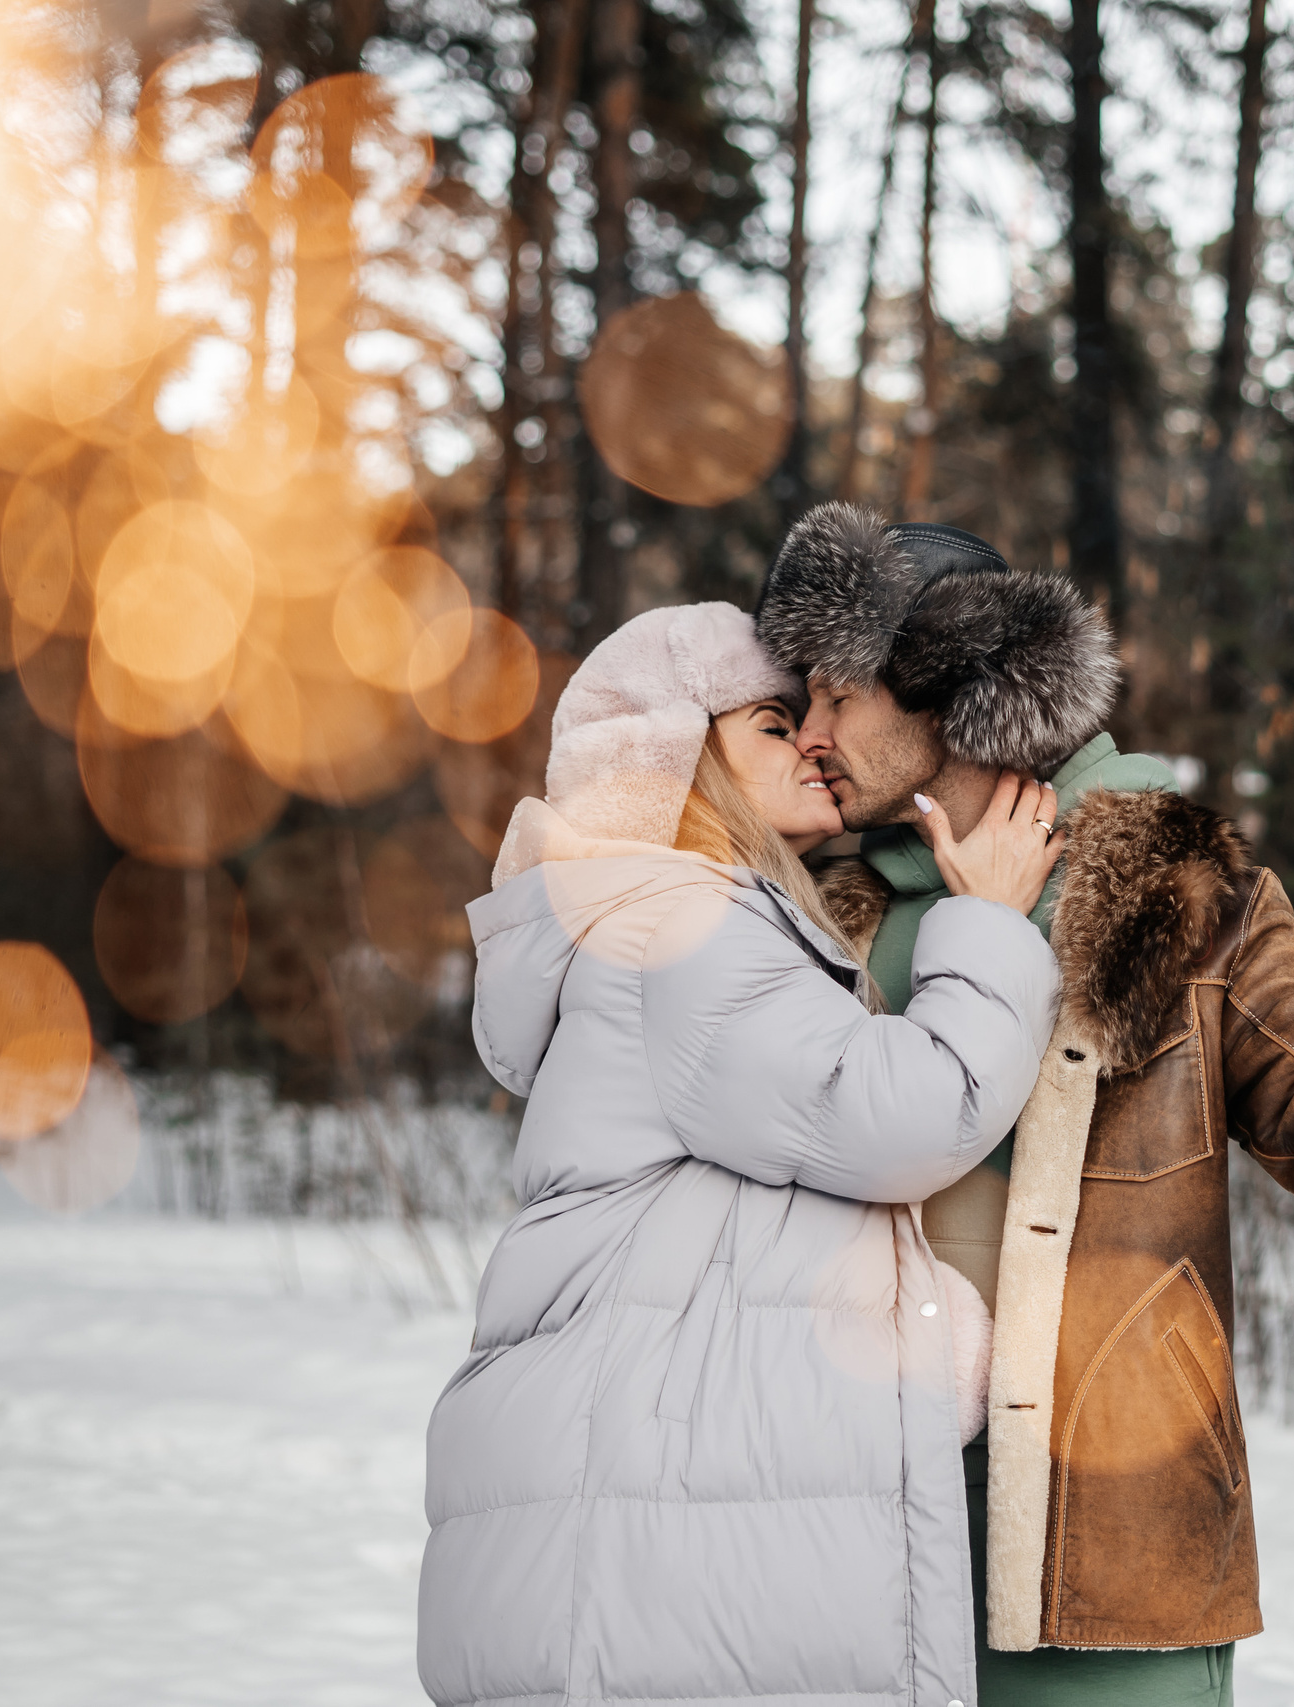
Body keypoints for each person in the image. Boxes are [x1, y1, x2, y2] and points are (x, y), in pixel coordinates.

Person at [755, 505, 1294, 1706]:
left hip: (1107, 1507)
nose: (811, 732)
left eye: (837, 695)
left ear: (944, 687)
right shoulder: (815, 909)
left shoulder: (1167, 887)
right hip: (846, 1514)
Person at [421, 601, 1066, 1707]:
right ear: (677, 757)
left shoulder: (661, 920)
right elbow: (908, 1117)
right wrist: (993, 920)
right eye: (773, 722)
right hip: (662, 1564)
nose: (814, 739)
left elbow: (738, 1214)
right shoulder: (684, 922)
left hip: (631, 1539)